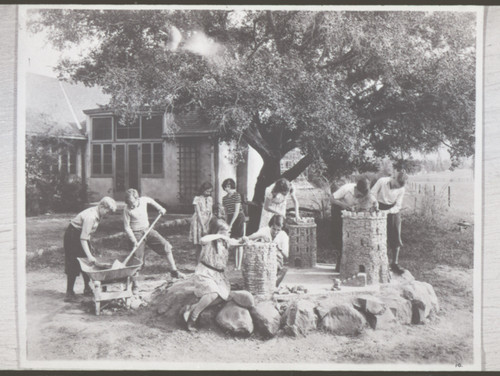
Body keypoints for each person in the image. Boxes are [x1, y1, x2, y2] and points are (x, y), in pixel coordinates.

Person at [182, 218, 240, 331]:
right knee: (212, 293)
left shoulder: (225, 242)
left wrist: (243, 241)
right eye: (225, 231)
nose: (228, 233)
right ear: (217, 232)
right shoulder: (209, 241)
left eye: (228, 231)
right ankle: (193, 318)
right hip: (205, 273)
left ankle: (192, 307)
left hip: (218, 275)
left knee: (224, 297)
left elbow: (236, 242)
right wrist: (220, 236)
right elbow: (202, 239)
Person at [123, 189, 185, 283]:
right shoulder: (126, 209)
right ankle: (135, 284)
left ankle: (174, 271)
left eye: (133, 203)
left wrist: (160, 208)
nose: (132, 206)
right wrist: (133, 240)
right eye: (129, 204)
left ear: (137, 198)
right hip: (136, 234)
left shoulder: (143, 200)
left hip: (148, 230)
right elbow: (127, 227)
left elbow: (151, 201)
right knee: (137, 260)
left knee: (165, 246)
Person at [63, 197, 117, 302]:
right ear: (101, 206)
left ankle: (87, 288)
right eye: (107, 211)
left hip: (80, 235)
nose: (108, 214)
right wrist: (89, 255)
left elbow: (86, 234)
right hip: (72, 236)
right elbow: (83, 237)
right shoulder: (91, 217)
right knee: (74, 262)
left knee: (87, 262)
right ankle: (69, 293)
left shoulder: (98, 213)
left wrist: (89, 249)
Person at [330, 177, 376, 272]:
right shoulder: (346, 188)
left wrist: (375, 205)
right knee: (340, 236)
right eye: (358, 195)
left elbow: (373, 201)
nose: (359, 197)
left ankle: (355, 262)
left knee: (354, 236)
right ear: (355, 189)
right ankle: (340, 261)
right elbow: (332, 198)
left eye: (361, 196)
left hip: (351, 213)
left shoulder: (366, 193)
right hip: (339, 210)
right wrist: (343, 205)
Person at [371, 170, 409, 275]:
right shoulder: (382, 181)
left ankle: (395, 263)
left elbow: (398, 205)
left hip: (392, 210)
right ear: (393, 178)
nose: (396, 188)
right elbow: (372, 193)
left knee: (395, 235)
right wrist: (375, 202)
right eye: (395, 185)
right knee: (377, 235)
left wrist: (388, 212)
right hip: (379, 206)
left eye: (398, 187)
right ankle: (377, 262)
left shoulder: (401, 189)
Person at [244, 214, 289, 286]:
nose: (275, 232)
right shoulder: (264, 230)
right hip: (262, 258)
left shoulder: (283, 235)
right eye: (273, 229)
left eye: (278, 230)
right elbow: (247, 238)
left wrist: (278, 248)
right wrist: (260, 235)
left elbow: (287, 256)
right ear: (270, 226)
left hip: (276, 260)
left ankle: (270, 283)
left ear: (281, 229)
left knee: (272, 268)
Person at [189, 182, 213, 263]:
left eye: (210, 191)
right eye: (207, 191)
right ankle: (198, 263)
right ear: (203, 190)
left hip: (208, 220)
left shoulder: (210, 199)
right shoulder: (197, 199)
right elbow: (198, 213)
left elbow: (211, 211)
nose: (208, 193)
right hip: (198, 222)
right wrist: (203, 226)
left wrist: (209, 222)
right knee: (199, 244)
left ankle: (206, 263)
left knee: (207, 244)